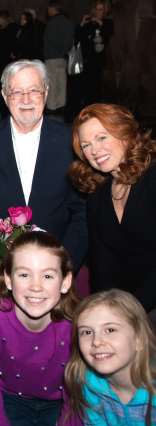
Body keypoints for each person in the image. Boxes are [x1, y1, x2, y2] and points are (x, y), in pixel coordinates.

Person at [0, 59, 88, 271]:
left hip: (56, 264)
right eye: (17, 92)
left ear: (46, 92)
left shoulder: (71, 140)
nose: (26, 99)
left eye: (34, 90)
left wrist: (65, 264)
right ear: (4, 96)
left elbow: (82, 211)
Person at [0, 231, 83, 426]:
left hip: (60, 403)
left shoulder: (78, 321)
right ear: (8, 279)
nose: (35, 286)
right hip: (9, 400)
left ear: (65, 282)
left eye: (48, 276)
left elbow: (77, 398)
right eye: (24, 275)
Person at [66, 103, 156, 327]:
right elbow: (104, 262)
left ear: (124, 135)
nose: (94, 150)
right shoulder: (97, 194)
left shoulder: (152, 178)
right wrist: (111, 312)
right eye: (86, 145)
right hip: (129, 307)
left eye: (101, 138)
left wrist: (130, 312)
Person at [65, 289, 156, 426]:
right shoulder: (89, 384)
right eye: (86, 332)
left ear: (140, 339)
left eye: (110, 330)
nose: (96, 341)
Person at [76, 1, 114, 105]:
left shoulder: (107, 23)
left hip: (97, 61)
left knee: (95, 86)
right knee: (84, 87)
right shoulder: (90, 24)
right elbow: (78, 38)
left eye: (101, 9)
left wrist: (99, 22)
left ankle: (94, 108)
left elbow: (107, 33)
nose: (98, 12)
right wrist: (82, 24)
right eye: (97, 9)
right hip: (86, 60)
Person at [43, 1, 75, 115]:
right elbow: (72, 38)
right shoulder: (69, 22)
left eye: (48, 9)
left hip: (52, 55)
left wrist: (61, 49)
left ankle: (52, 105)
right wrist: (65, 50)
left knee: (52, 81)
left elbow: (52, 38)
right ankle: (62, 104)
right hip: (63, 57)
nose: (47, 11)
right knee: (62, 81)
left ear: (52, 8)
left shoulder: (52, 22)